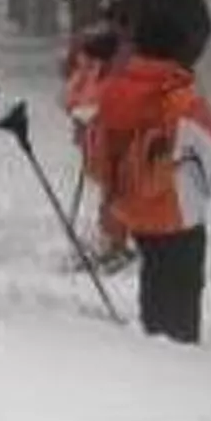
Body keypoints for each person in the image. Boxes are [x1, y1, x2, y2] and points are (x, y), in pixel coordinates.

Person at [89, 11, 211, 344]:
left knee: (153, 282)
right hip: (177, 215)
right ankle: (181, 364)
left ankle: (153, 351)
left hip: (131, 208)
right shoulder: (183, 100)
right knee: (182, 302)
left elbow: (99, 149)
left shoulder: (113, 88)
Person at [62, 15, 133, 269]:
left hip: (106, 135)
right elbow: (76, 100)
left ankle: (114, 241)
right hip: (103, 135)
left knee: (114, 190)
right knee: (114, 190)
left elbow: (75, 99)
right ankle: (112, 242)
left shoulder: (100, 61)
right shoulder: (101, 61)